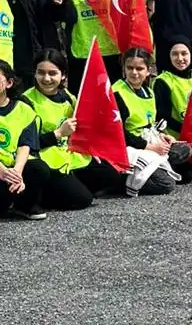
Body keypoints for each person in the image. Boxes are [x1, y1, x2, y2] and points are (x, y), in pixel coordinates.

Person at [18, 50, 124, 207]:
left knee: (112, 176)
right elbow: (24, 144)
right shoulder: (25, 101)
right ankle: (42, 195)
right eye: (41, 73)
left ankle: (69, 186)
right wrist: (58, 133)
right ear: (34, 74)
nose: (46, 78)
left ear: (63, 75)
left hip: (70, 156)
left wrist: (90, 148)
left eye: (52, 73)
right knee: (82, 200)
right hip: (45, 161)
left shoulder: (67, 96)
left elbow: (81, 128)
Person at [112, 47, 188, 193]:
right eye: (130, 68)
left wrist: (163, 136)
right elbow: (120, 134)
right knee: (167, 184)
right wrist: (150, 147)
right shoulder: (117, 93)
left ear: (148, 70)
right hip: (131, 146)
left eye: (139, 68)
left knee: (185, 149)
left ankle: (156, 167)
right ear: (124, 69)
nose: (134, 73)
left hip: (149, 140)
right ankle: (124, 181)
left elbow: (151, 123)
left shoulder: (148, 92)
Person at [152, 39, 192, 181]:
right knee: (187, 176)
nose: (180, 59)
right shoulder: (163, 81)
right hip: (175, 138)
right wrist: (187, 130)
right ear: (169, 56)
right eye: (175, 54)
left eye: (184, 53)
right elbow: (162, 117)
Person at [0, 59, 50, 219]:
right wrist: (2, 171)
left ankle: (24, 206)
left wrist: (17, 173)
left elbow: (25, 144)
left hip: (13, 167)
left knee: (38, 168)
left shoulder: (23, 109)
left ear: (9, 83)